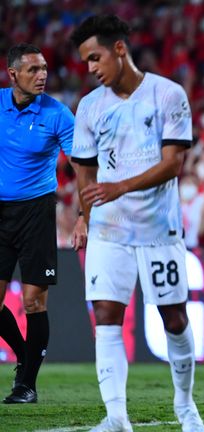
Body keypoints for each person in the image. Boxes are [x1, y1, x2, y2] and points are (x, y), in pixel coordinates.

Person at [68, 15, 204, 431]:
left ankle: (186, 407)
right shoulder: (90, 107)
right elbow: (85, 173)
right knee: (106, 316)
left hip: (157, 230)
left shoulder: (167, 95)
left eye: (95, 58)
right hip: (109, 229)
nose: (91, 68)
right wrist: (83, 217)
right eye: (85, 62)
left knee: (174, 319)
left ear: (120, 50)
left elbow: (172, 164)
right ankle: (116, 418)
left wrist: (120, 187)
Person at [0, 43, 75, 404]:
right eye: (33, 69)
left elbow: (82, 165)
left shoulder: (58, 114)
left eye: (44, 68)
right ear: (12, 74)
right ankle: (23, 356)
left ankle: (26, 384)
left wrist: (85, 215)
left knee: (33, 302)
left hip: (37, 212)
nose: (42, 74)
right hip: (1, 213)